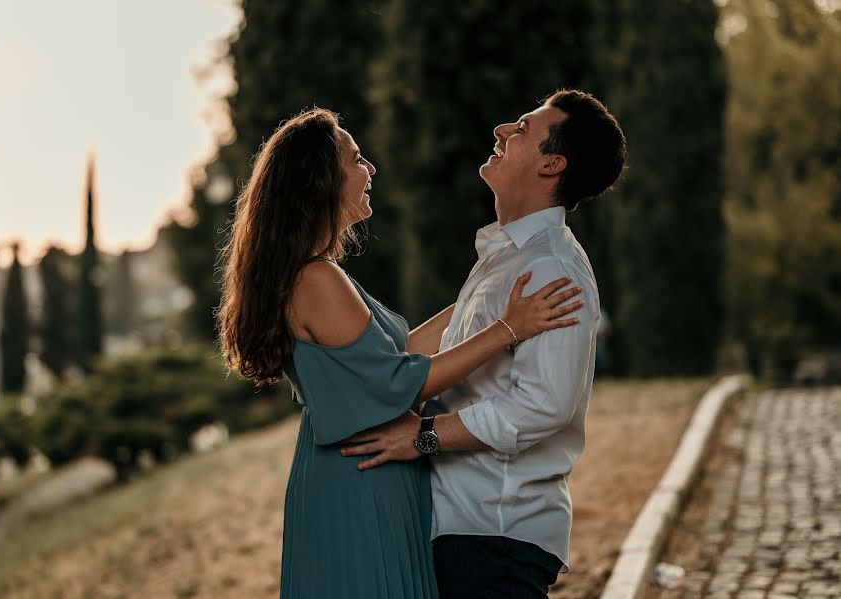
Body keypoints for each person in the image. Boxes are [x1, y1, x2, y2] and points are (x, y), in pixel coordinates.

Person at [216, 108, 585, 599]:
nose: (370, 170)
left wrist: (488, 295)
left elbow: (402, 349)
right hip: (360, 478)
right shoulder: (318, 279)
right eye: (356, 159)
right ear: (320, 180)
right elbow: (396, 380)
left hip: (369, 470)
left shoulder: (321, 274)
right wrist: (505, 329)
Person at [340, 90, 627, 598]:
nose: (500, 130)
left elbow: (545, 403)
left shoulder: (551, 269)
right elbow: (429, 355)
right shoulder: (506, 258)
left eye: (521, 129)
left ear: (552, 163)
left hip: (494, 533)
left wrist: (422, 435)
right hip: (462, 528)